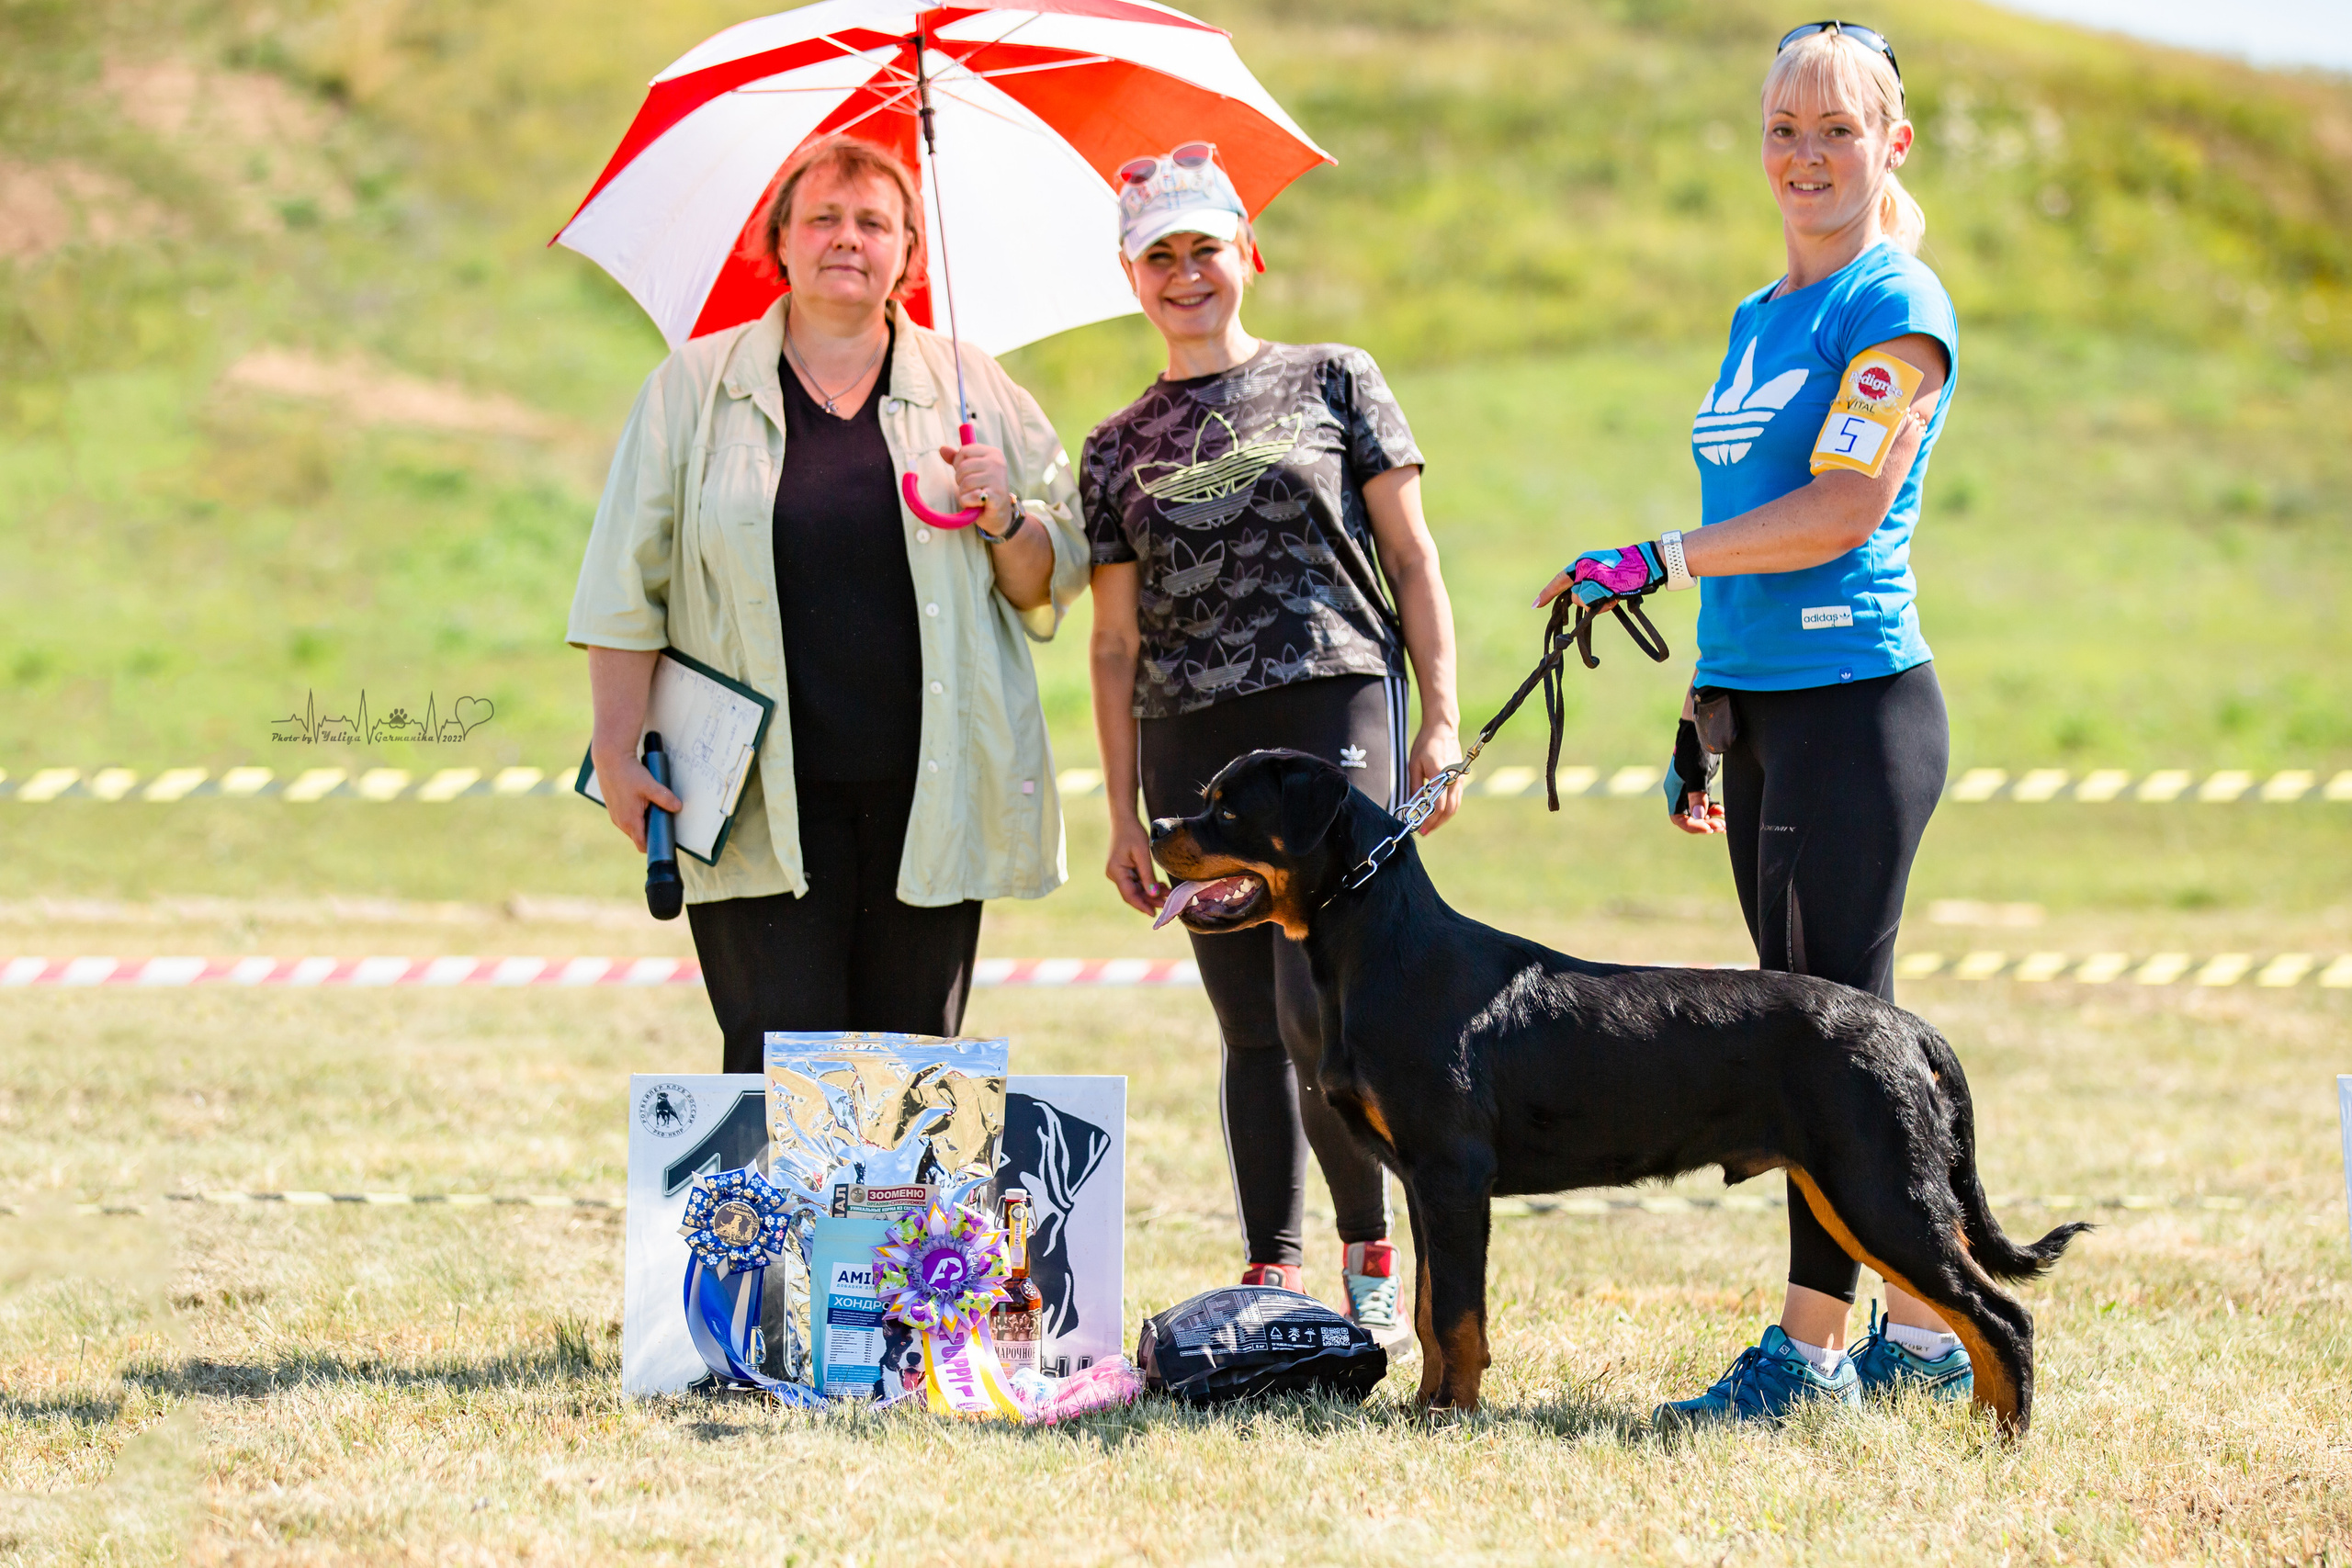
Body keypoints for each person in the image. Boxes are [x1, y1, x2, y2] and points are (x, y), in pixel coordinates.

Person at [1534, 22, 1966, 1422]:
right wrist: (1704, 712)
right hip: (1766, 711)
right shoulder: (1755, 315)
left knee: (1817, 1040)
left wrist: (1654, 556)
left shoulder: (1893, 304)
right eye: (1785, 127)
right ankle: (1924, 1326)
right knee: (1829, 1028)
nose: (1806, 155)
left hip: (1858, 705)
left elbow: (1839, 510)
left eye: (1838, 129)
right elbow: (1748, 530)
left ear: (1890, 144)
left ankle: (1812, 1352)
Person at [569, 135, 1089, 1072]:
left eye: (872, 223)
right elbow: (622, 586)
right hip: (751, 795)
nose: (846, 239)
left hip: (929, 793)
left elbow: (1048, 579)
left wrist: (1003, 511)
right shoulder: (691, 387)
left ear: (909, 255)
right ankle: (791, 1232)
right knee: (776, 1061)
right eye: (822, 218)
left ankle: (892, 1232)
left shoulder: (975, 389)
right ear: (779, 243)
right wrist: (615, 750)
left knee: (911, 1069)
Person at [1082, 143, 1464, 1334]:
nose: (1186, 273)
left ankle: (1375, 1259)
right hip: (1189, 731)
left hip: (1333, 707)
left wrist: (1439, 716)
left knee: (1328, 1006)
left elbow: (1412, 558)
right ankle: (1271, 1272)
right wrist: (1117, 813)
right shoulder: (1111, 447)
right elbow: (1108, 642)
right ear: (1133, 278)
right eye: (1160, 256)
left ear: (1247, 255)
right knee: (1249, 1019)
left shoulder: (1337, 378)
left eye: (1206, 248)